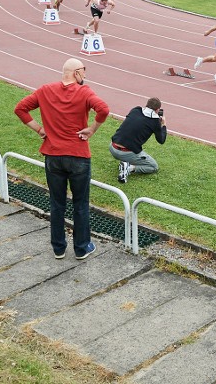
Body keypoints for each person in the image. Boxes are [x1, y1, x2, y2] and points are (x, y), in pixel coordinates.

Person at [14, 58, 110, 259]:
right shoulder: (84, 92)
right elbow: (103, 109)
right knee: (80, 204)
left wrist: (39, 129)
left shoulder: (45, 90)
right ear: (76, 73)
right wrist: (92, 128)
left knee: (57, 203)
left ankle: (58, 248)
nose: (85, 75)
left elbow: (20, 109)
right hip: (78, 156)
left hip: (53, 155)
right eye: (84, 71)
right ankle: (81, 248)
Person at [110, 97, 167, 183]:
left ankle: (126, 162)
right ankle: (129, 168)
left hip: (112, 147)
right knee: (153, 166)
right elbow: (161, 140)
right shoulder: (155, 121)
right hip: (126, 152)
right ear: (158, 109)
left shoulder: (136, 110)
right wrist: (163, 125)